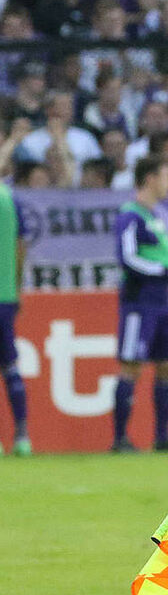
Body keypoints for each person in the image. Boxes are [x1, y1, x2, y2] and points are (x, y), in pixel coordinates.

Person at [111, 157, 168, 452]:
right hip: (139, 302)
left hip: (161, 302)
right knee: (131, 366)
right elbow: (127, 258)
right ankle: (119, 439)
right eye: (167, 175)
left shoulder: (153, 216)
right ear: (150, 178)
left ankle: (162, 437)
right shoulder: (130, 216)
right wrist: (164, 272)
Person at [0, 182, 30, 456]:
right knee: (10, 365)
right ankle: (22, 437)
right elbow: (21, 244)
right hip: (6, 295)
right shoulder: (10, 198)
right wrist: (16, 284)